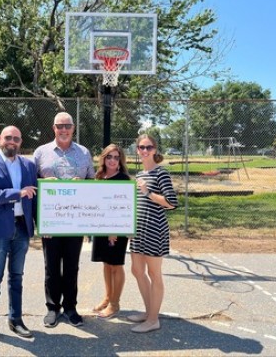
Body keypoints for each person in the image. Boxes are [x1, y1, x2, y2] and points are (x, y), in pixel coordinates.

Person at [0, 126, 38, 344]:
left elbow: (36, 197)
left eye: (16, 139)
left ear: (21, 142)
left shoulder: (29, 165)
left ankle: (16, 319)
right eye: (8, 137)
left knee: (17, 277)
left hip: (22, 228)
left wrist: (44, 226)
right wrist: (16, 193)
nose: (12, 141)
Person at [33, 112, 95, 328]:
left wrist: (83, 184)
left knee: (71, 266)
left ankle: (70, 307)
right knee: (51, 266)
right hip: (51, 220)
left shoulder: (84, 153)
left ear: (73, 127)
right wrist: (42, 180)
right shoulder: (41, 152)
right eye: (60, 125)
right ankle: (52, 308)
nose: (64, 129)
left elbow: (93, 184)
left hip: (75, 221)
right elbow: (32, 184)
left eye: (67, 125)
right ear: (54, 128)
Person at [128, 134, 178, 333]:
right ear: (137, 149)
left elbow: (171, 203)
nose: (145, 150)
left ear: (155, 149)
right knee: (137, 271)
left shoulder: (161, 173)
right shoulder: (140, 174)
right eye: (141, 147)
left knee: (154, 274)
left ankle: (153, 319)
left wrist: (149, 192)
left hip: (154, 229)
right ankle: (148, 313)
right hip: (138, 230)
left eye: (149, 147)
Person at [91, 144, 131, 319]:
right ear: (104, 158)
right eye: (109, 157)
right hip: (101, 227)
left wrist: (114, 230)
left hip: (117, 229)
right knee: (106, 264)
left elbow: (124, 207)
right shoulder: (99, 176)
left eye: (116, 157)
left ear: (120, 160)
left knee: (116, 265)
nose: (113, 160)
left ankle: (115, 304)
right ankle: (107, 298)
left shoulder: (123, 179)